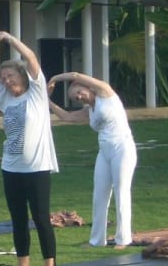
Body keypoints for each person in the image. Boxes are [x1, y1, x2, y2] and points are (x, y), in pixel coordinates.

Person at [0, 31, 58, 266]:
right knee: (18, 220)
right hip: (10, 168)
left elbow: (31, 57)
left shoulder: (36, 93)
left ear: (22, 76)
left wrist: (8, 39)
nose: (6, 81)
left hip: (36, 167)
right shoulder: (4, 97)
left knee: (41, 219)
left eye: (10, 76)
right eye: (3, 78)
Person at [48, 71, 137, 249]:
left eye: (79, 92)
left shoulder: (106, 93)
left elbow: (76, 75)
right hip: (104, 152)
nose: (79, 97)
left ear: (88, 88)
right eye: (75, 97)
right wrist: (46, 101)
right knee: (99, 195)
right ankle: (97, 240)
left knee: (121, 192)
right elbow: (67, 117)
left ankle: (123, 239)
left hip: (123, 148)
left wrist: (55, 79)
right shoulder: (90, 111)